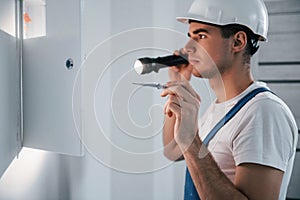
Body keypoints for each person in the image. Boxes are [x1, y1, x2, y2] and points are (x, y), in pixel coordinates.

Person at [160, 0, 298, 199]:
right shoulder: (219, 108)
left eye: (201, 36)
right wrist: (178, 86)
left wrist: (192, 141)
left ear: (237, 42)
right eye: (189, 36)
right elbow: (173, 151)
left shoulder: (263, 112)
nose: (188, 47)